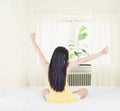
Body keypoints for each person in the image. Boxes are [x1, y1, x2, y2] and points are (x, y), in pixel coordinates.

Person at [30, 33, 109, 103]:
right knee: (85, 90)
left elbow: (39, 53)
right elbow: (84, 59)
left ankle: (67, 93)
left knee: (45, 91)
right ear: (65, 58)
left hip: (52, 100)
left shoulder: (46, 66)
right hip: (69, 98)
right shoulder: (67, 67)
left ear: (54, 57)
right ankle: (70, 93)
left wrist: (33, 41)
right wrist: (102, 53)